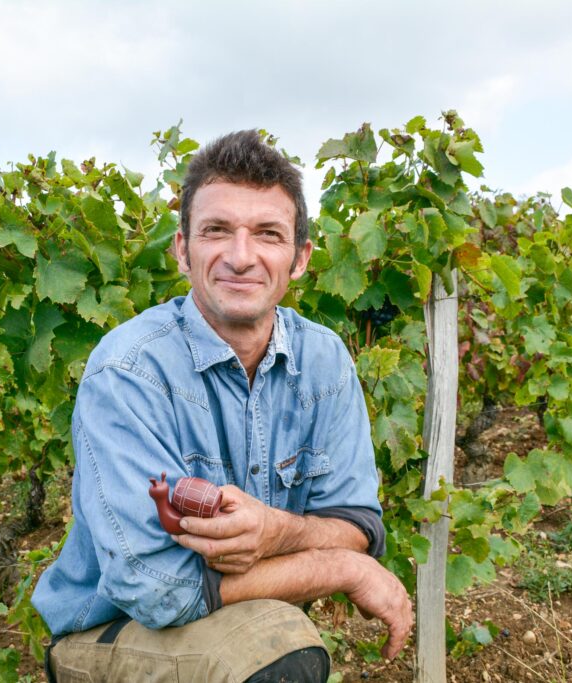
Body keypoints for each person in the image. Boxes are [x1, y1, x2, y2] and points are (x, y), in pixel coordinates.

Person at [32, 130, 413, 682]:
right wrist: (335, 564)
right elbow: (154, 588)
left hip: (240, 617)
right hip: (110, 630)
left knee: (272, 646)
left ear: (300, 258)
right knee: (277, 655)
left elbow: (355, 522)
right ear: (183, 250)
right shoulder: (129, 371)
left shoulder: (326, 360)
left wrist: (277, 533)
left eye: (267, 234)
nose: (241, 257)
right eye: (216, 231)